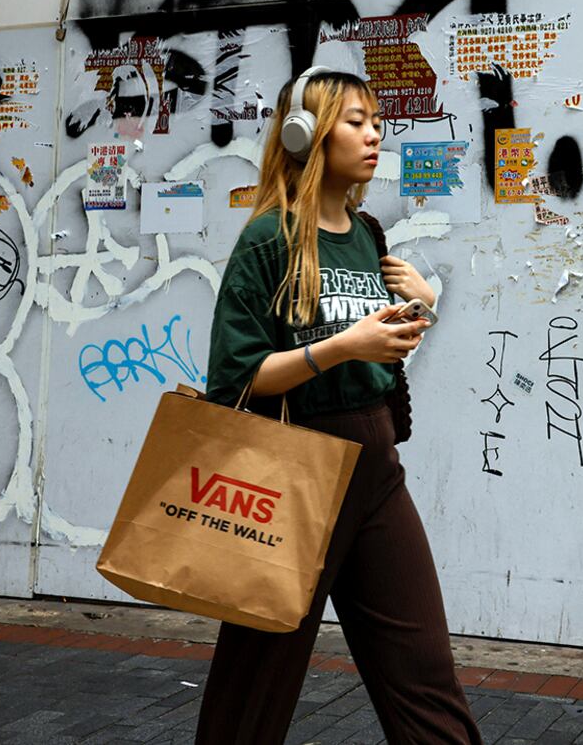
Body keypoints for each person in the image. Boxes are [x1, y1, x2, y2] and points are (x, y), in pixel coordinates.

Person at [195, 68, 482, 744]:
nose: (374, 132)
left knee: (424, 670)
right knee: (255, 684)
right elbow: (234, 375)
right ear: (307, 133)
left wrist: (420, 312)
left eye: (376, 120)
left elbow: (375, 353)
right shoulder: (270, 239)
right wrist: (340, 346)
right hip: (296, 471)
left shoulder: (367, 232)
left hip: (376, 468)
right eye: (355, 120)